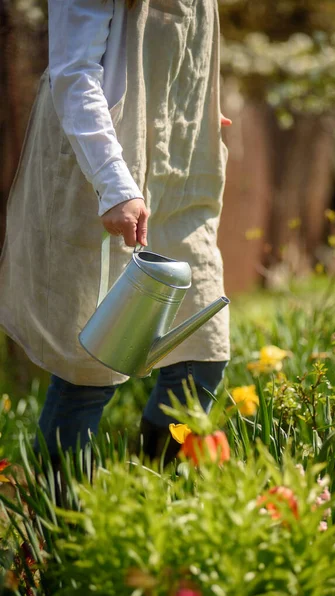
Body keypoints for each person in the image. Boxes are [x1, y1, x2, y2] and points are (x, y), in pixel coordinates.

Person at [0, 0, 231, 465]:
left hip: (179, 173)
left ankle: (152, 494)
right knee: (89, 370)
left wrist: (196, 104)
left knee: (202, 354)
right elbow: (74, 73)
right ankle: (64, 527)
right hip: (106, 177)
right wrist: (115, 185)